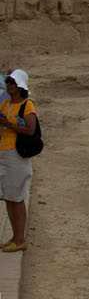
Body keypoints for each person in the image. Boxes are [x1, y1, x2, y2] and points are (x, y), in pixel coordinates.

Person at [0, 72, 34, 253]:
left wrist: (7, 124)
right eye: (7, 82)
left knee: (17, 198)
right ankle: (14, 237)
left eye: (12, 82)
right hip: (4, 154)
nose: (9, 85)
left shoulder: (27, 105)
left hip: (17, 156)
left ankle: (20, 239)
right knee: (9, 197)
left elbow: (30, 130)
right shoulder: (5, 104)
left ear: (20, 85)